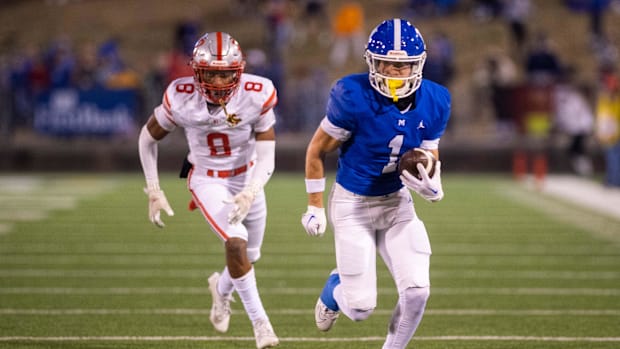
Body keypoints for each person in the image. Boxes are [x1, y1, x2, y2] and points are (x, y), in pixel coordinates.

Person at [301, 18, 450, 349]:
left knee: (417, 291)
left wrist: (431, 186)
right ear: (372, 62)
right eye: (387, 65)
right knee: (359, 309)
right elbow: (316, 150)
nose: (395, 74)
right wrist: (314, 205)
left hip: (396, 202)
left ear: (418, 64)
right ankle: (334, 289)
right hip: (353, 203)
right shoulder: (351, 95)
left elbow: (428, 158)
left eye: (404, 66)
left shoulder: (436, 100)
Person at [138, 31, 280, 349]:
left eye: (225, 73)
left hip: (249, 177)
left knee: (249, 256)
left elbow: (268, 152)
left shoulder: (257, 93)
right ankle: (261, 324)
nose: (218, 82)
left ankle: (222, 291)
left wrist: (252, 189)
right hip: (207, 177)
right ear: (197, 71)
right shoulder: (180, 95)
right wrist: (153, 188)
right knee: (235, 242)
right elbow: (147, 139)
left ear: (238, 71)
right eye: (211, 73)